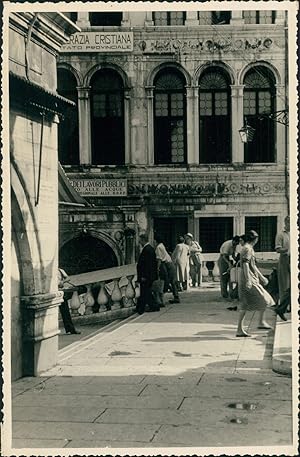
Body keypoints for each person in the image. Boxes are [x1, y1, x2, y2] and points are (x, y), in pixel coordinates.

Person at [236, 230, 274, 337]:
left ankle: (260, 322)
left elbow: (253, 265)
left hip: (251, 278)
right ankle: (240, 329)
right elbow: (246, 265)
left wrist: (261, 277)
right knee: (259, 300)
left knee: (264, 299)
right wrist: (248, 280)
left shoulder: (248, 248)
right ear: (255, 239)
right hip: (248, 279)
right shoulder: (247, 249)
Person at [154, 234, 180, 304]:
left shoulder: (158, 247)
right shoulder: (161, 245)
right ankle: (175, 296)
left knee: (168, 281)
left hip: (167, 264)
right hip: (169, 263)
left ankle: (175, 296)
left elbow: (159, 259)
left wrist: (157, 268)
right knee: (171, 281)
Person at [136, 233, 158, 314]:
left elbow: (148, 265)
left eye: (140, 240)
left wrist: (144, 276)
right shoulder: (149, 249)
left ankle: (151, 307)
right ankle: (140, 308)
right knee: (145, 292)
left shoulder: (147, 250)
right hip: (147, 276)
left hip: (146, 276)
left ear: (142, 240)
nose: (139, 242)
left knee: (145, 292)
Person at [58, 268, 81, 335]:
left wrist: (62, 281)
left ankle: (70, 329)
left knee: (65, 311)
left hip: (60, 292)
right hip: (52, 293)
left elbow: (68, 278)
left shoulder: (60, 270)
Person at [275, 215, 290, 308]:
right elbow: (278, 249)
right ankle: (284, 307)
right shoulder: (281, 234)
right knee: (285, 284)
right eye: (289, 222)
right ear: (285, 223)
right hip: (285, 259)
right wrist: (287, 249)